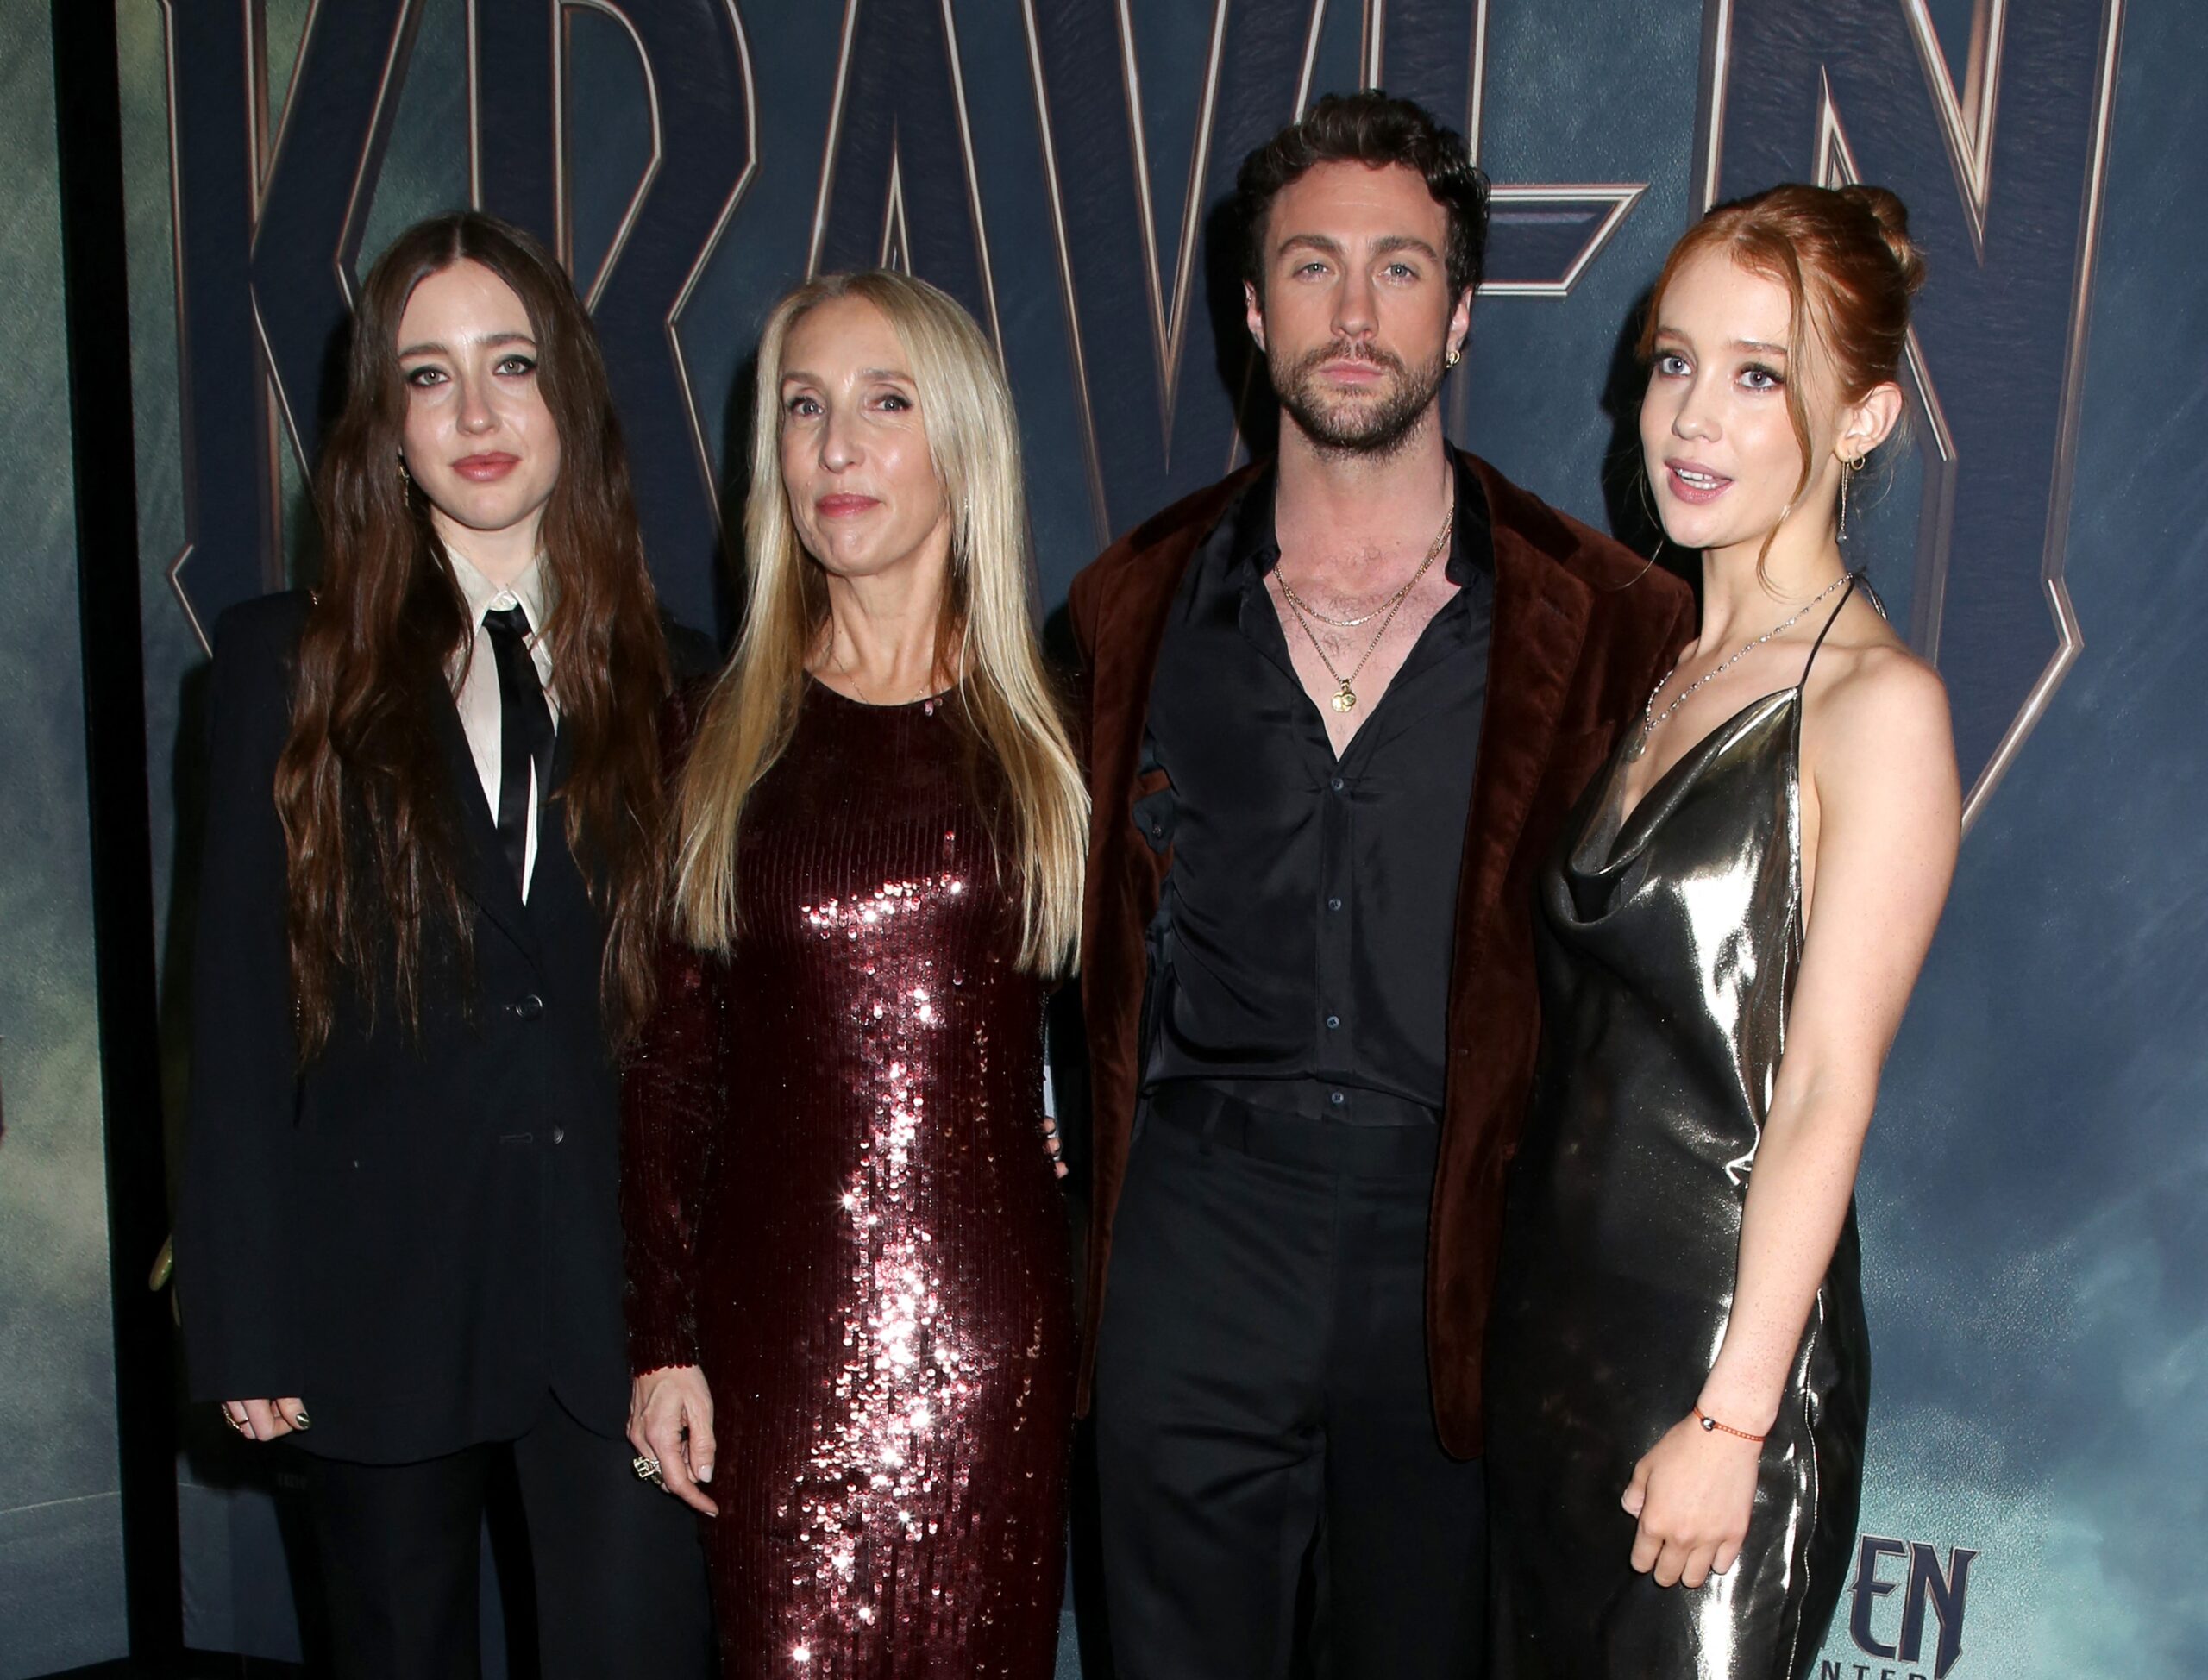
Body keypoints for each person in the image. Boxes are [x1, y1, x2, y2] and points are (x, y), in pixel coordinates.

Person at [1069, 91, 1694, 1678]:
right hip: (1193, 1240)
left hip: (1461, 1261)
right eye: (1314, 267)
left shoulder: (1607, 619)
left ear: (1462, 311)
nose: (1355, 314)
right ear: (1252, 305)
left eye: (1400, 269)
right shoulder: (1128, 608)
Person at [175, 211, 714, 1677]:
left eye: (511, 364)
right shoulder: (281, 667)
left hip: (619, 1316)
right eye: (428, 376)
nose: (475, 415)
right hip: (371, 1292)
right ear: (382, 425)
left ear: (572, 401)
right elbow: (231, 1012)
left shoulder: (690, 682)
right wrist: (241, 1310)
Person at [1484, 184, 1961, 1677]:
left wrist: (1736, 1415)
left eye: (1760, 375)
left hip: (1718, 1376)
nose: (1691, 415)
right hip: (1554, 1356)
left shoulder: (1876, 709)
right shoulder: (1663, 669)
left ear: (1864, 420)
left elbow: (1825, 1092)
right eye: (1673, 360)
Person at [621, 268, 1087, 1678]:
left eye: (886, 404)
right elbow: (673, 1069)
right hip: (772, 1348)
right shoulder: (712, 735)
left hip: (994, 1351)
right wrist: (663, 1342)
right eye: (804, 408)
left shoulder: (1058, 734)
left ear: (962, 445)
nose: (836, 447)